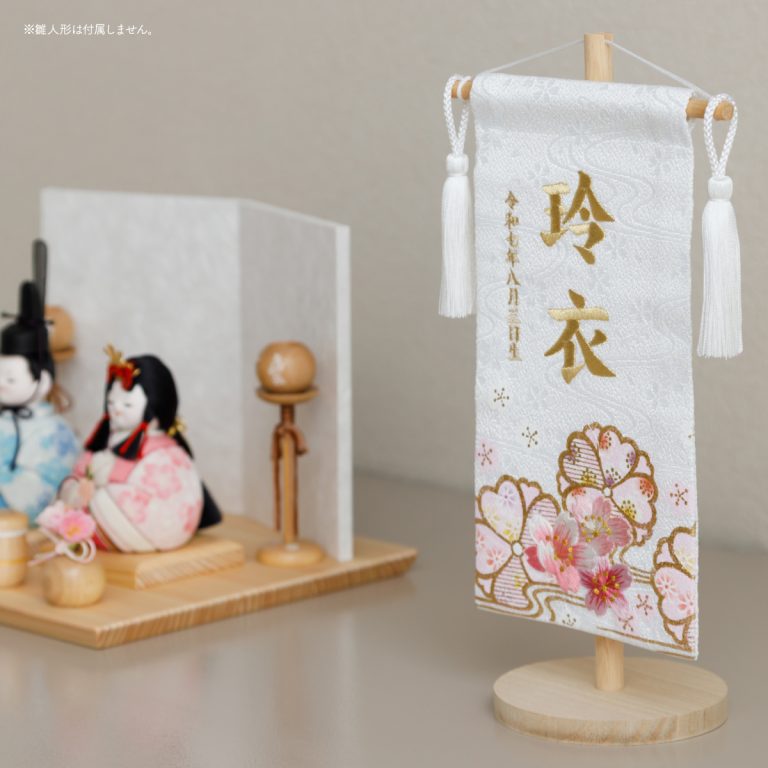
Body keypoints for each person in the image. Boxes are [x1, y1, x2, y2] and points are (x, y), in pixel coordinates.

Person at [61, 346, 221, 552]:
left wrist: (95, 495)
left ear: (154, 409)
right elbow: (77, 475)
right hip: (105, 520)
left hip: (145, 529)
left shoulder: (165, 454)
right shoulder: (106, 440)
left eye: (127, 405)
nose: (116, 410)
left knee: (103, 500)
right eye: (111, 402)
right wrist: (79, 490)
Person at [0, 244, 79, 523]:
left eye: (11, 378)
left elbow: (47, 486)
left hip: (24, 526)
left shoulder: (56, 432)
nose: (2, 383)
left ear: (43, 381)